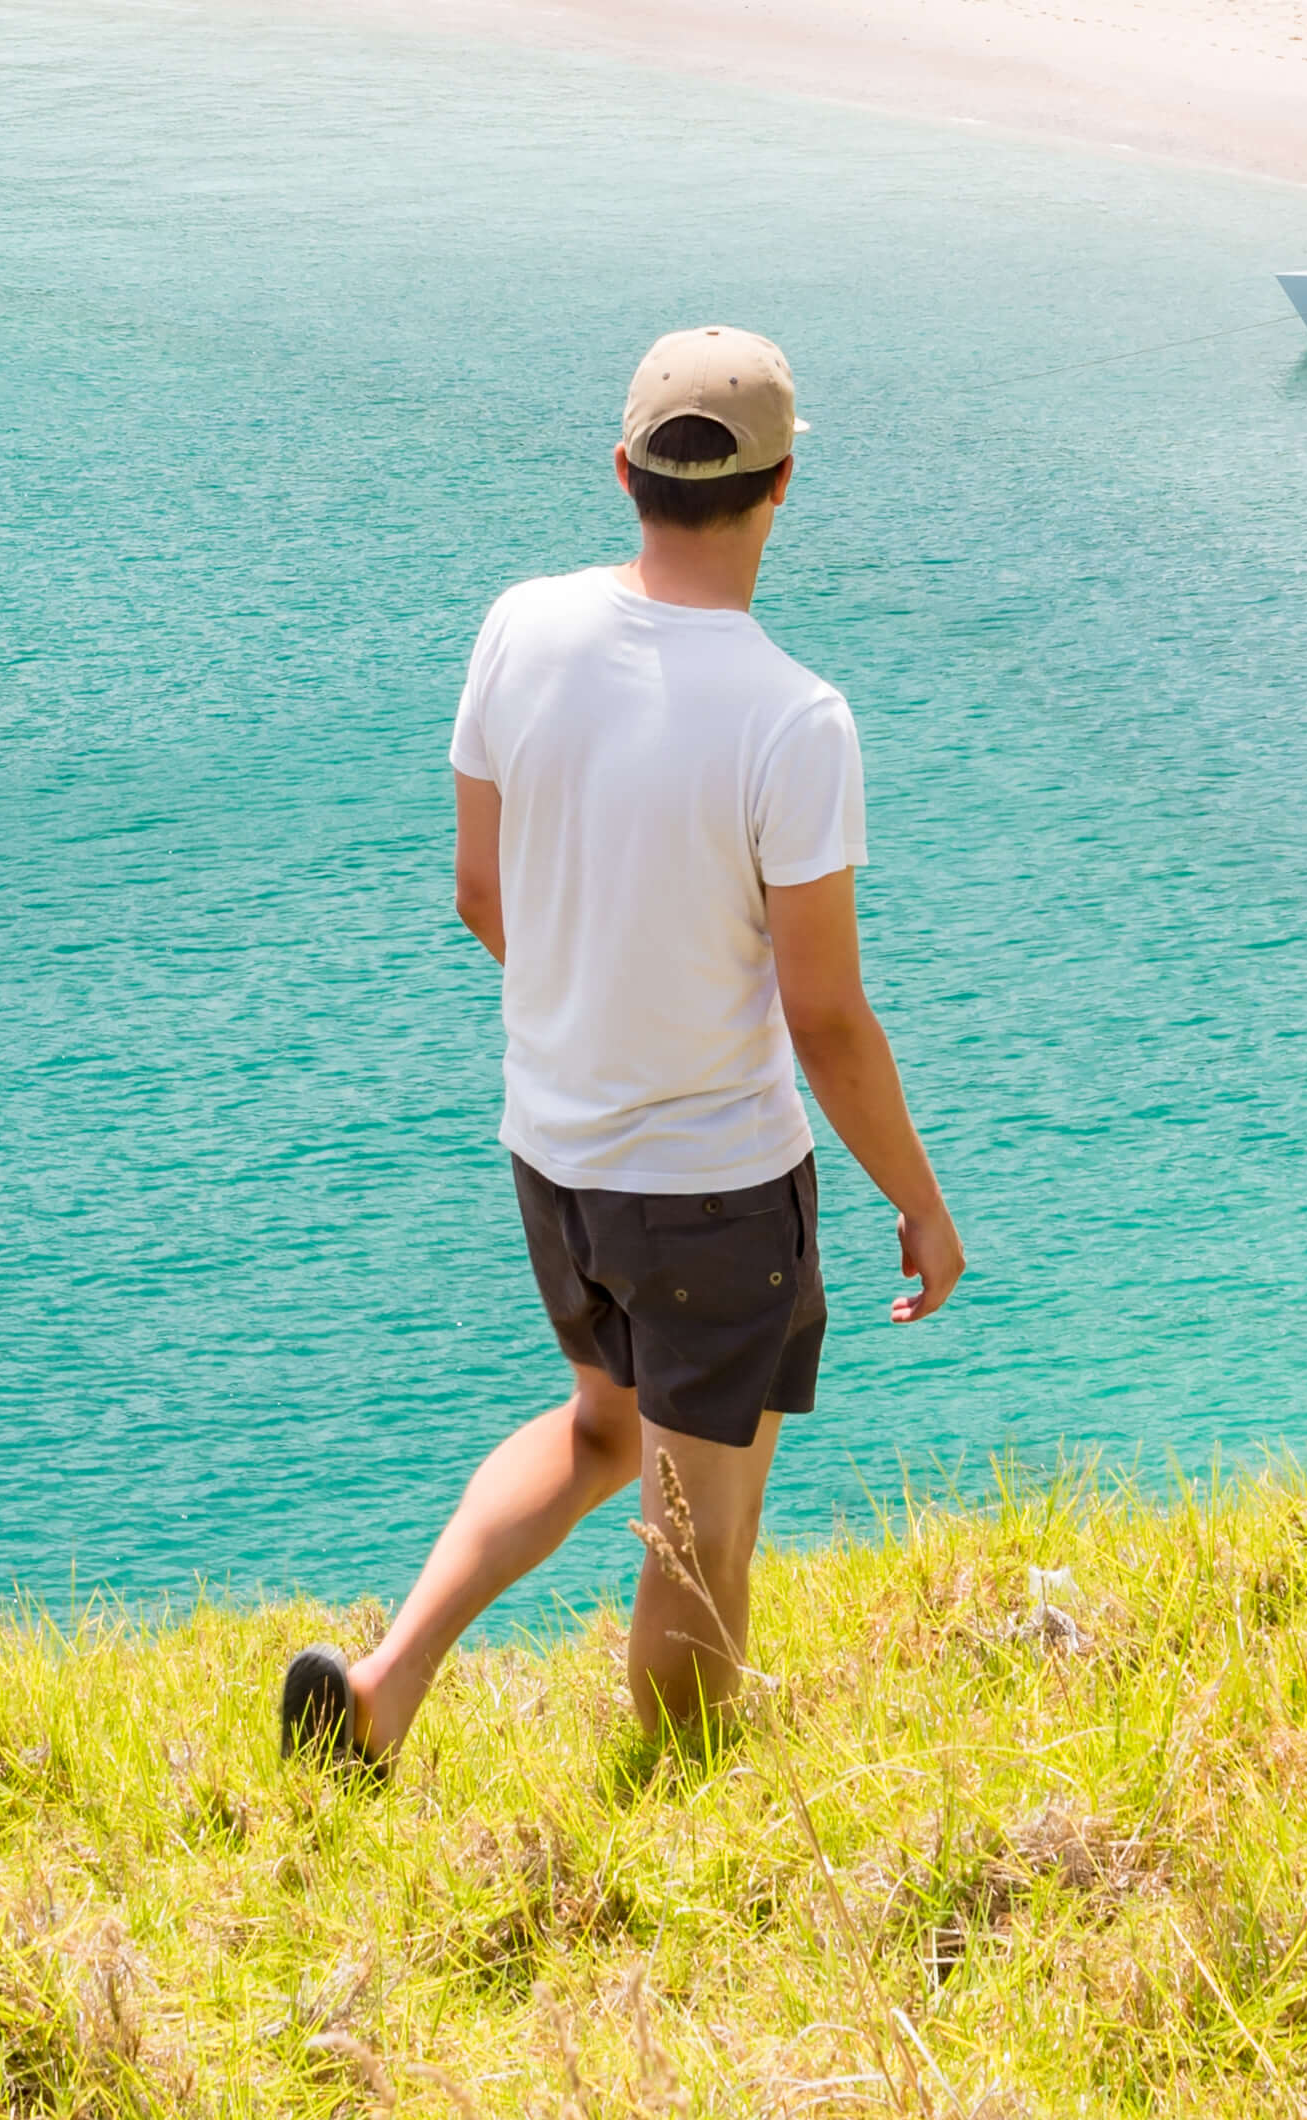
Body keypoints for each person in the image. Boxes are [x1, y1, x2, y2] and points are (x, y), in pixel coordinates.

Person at [282, 328, 967, 1772]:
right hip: (715, 1181)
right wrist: (917, 1196)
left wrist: (597, 996)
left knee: (604, 1428)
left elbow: (480, 889)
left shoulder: (519, 625)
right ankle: (671, 1809)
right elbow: (824, 1015)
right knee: (698, 1516)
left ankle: (385, 1682)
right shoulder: (795, 717)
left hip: (555, 1152)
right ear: (784, 483)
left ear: (623, 472)